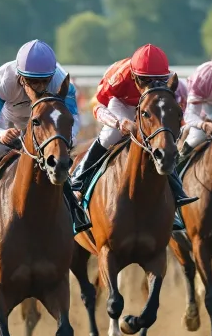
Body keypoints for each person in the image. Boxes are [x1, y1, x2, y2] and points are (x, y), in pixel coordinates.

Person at [0, 40, 88, 233]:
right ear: (20, 76)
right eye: (32, 81)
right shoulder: (3, 79)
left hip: (45, 122)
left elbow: (73, 118)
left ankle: (74, 208)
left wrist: (63, 139)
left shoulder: (61, 82)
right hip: (8, 119)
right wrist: (1, 134)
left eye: (44, 80)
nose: (39, 87)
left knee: (58, 156)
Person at [69, 44, 195, 219]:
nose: (151, 84)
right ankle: (79, 179)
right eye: (145, 81)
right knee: (110, 136)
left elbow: (176, 113)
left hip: (152, 105)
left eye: (157, 80)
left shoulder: (170, 81)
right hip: (122, 104)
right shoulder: (118, 76)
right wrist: (119, 123)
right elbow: (99, 107)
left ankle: (177, 191)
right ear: (134, 76)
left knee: (164, 142)